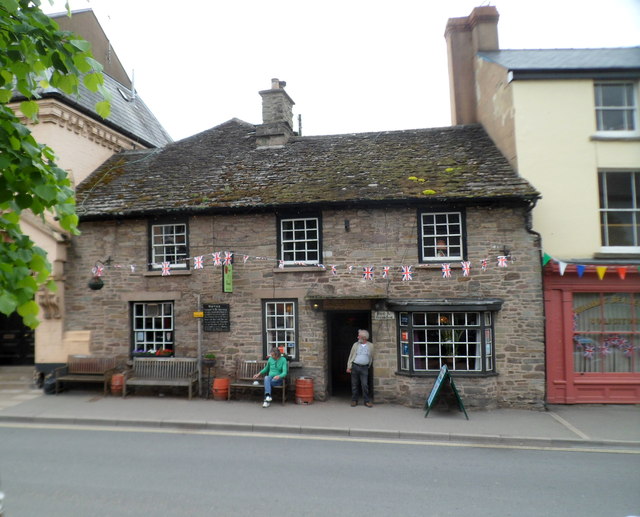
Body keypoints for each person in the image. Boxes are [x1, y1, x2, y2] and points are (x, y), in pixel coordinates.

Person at [346, 329, 374, 407]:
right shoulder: (355, 345)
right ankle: (354, 400)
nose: (358, 337)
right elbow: (351, 356)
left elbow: (372, 356)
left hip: (364, 367)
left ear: (364, 337)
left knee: (364, 385)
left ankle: (366, 401)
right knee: (354, 384)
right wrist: (349, 366)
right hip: (355, 366)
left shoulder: (371, 346)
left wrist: (369, 365)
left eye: (359, 336)